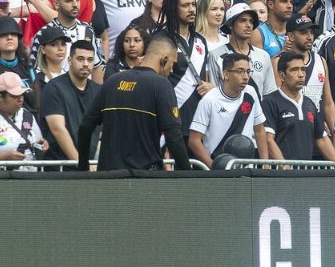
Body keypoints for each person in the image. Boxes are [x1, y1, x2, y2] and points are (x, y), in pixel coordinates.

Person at [77, 34, 192, 170]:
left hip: (108, 177)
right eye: (172, 64)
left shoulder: (112, 81)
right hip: (144, 178)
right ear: (164, 60)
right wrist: (187, 174)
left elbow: (85, 126)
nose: (172, 70)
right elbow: (173, 136)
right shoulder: (162, 85)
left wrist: (83, 165)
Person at [187, 52, 270, 166]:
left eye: (248, 71)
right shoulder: (209, 100)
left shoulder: (250, 92)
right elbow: (194, 140)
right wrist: (213, 167)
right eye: (240, 71)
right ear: (226, 74)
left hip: (245, 167)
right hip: (218, 166)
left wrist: (266, 164)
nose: (246, 76)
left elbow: (259, 130)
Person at [262, 49, 335, 163]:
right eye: (294, 70)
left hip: (305, 173)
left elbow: (322, 139)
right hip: (280, 175)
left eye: (303, 69)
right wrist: (284, 167)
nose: (301, 74)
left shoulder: (309, 103)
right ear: (282, 75)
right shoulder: (270, 102)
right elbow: (268, 140)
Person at [38, 39, 99, 160]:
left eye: (90, 60)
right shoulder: (54, 88)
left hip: (91, 166)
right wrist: (81, 163)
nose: (86, 64)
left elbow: (102, 131)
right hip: (60, 168)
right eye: (80, 59)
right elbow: (58, 129)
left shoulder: (98, 90)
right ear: (70, 60)